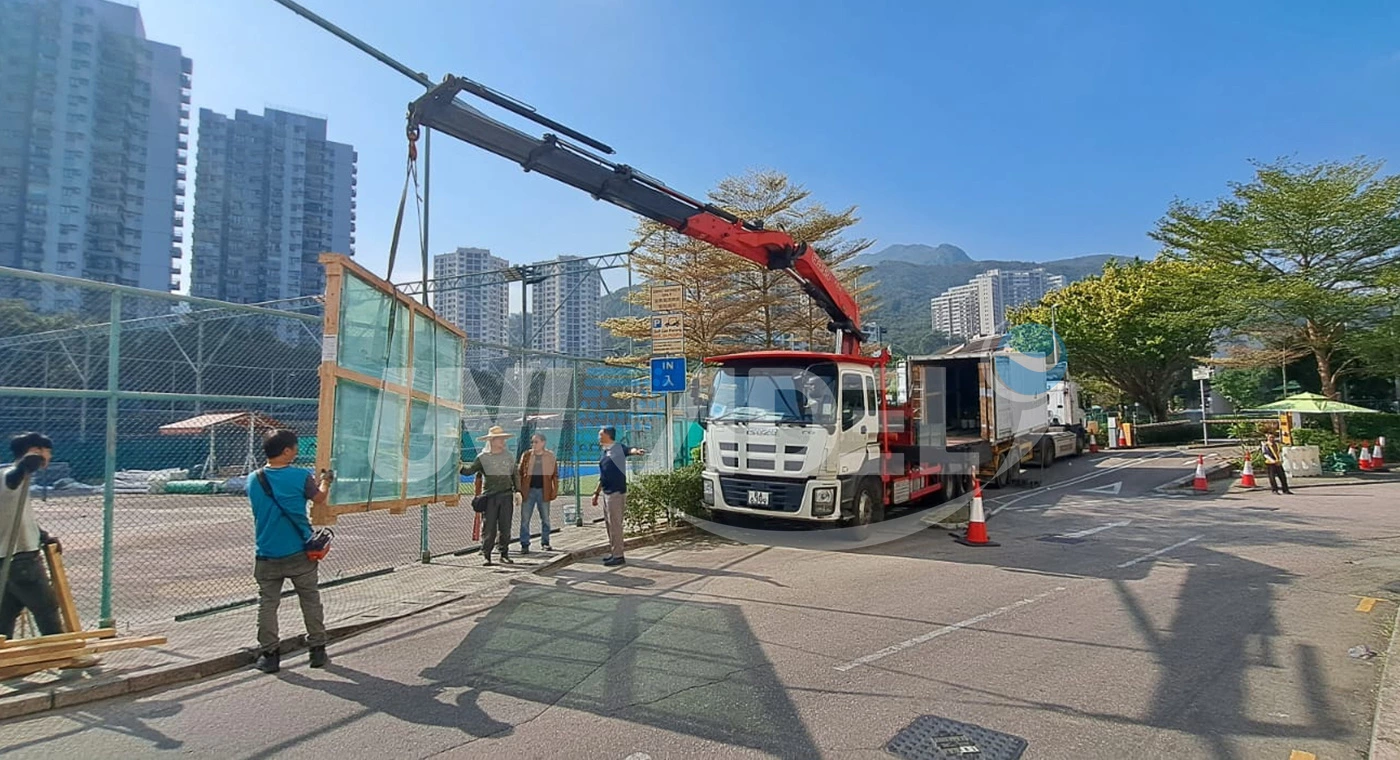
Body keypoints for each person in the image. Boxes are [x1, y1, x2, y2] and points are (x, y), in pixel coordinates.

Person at [248, 429, 334, 674]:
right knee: (310, 599)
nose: (297, 451)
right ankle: (317, 650)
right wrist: (326, 480)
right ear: (286, 451)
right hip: (299, 551)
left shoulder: (253, 479)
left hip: (266, 552)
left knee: (267, 604)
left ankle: (269, 655)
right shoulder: (300, 476)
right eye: (295, 447)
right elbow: (319, 498)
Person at [0, 432, 63, 639]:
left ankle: (4, 653)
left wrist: (42, 536)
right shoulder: (12, 477)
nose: (49, 457)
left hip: (7, 559)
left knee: (5, 613)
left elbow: (14, 517)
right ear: (35, 451)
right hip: (21, 559)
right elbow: (12, 481)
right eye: (47, 452)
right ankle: (60, 650)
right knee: (47, 608)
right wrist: (25, 465)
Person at [462, 426, 520, 566]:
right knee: (489, 527)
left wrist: (518, 491)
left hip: (506, 495)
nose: (503, 441)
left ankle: (504, 553)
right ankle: (486, 554)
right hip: (490, 497)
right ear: (492, 441)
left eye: (503, 439)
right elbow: (470, 471)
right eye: (500, 439)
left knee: (505, 527)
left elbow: (515, 474)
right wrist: (459, 467)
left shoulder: (508, 456)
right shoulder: (482, 458)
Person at [591, 427, 646, 567]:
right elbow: (603, 476)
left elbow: (630, 450)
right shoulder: (605, 452)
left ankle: (618, 556)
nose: (598, 437)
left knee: (615, 525)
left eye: (600, 435)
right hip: (606, 493)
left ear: (608, 435)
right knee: (609, 525)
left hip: (616, 493)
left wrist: (637, 451)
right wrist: (596, 493)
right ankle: (614, 552)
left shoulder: (618, 448)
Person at [517, 433, 559, 554]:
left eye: (536, 442)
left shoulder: (550, 456)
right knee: (525, 519)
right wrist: (518, 490)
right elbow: (520, 473)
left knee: (545, 518)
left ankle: (545, 542)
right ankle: (524, 544)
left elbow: (555, 475)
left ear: (543, 443)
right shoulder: (526, 455)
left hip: (543, 491)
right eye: (532, 442)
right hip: (528, 491)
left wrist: (554, 490)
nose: (533, 444)